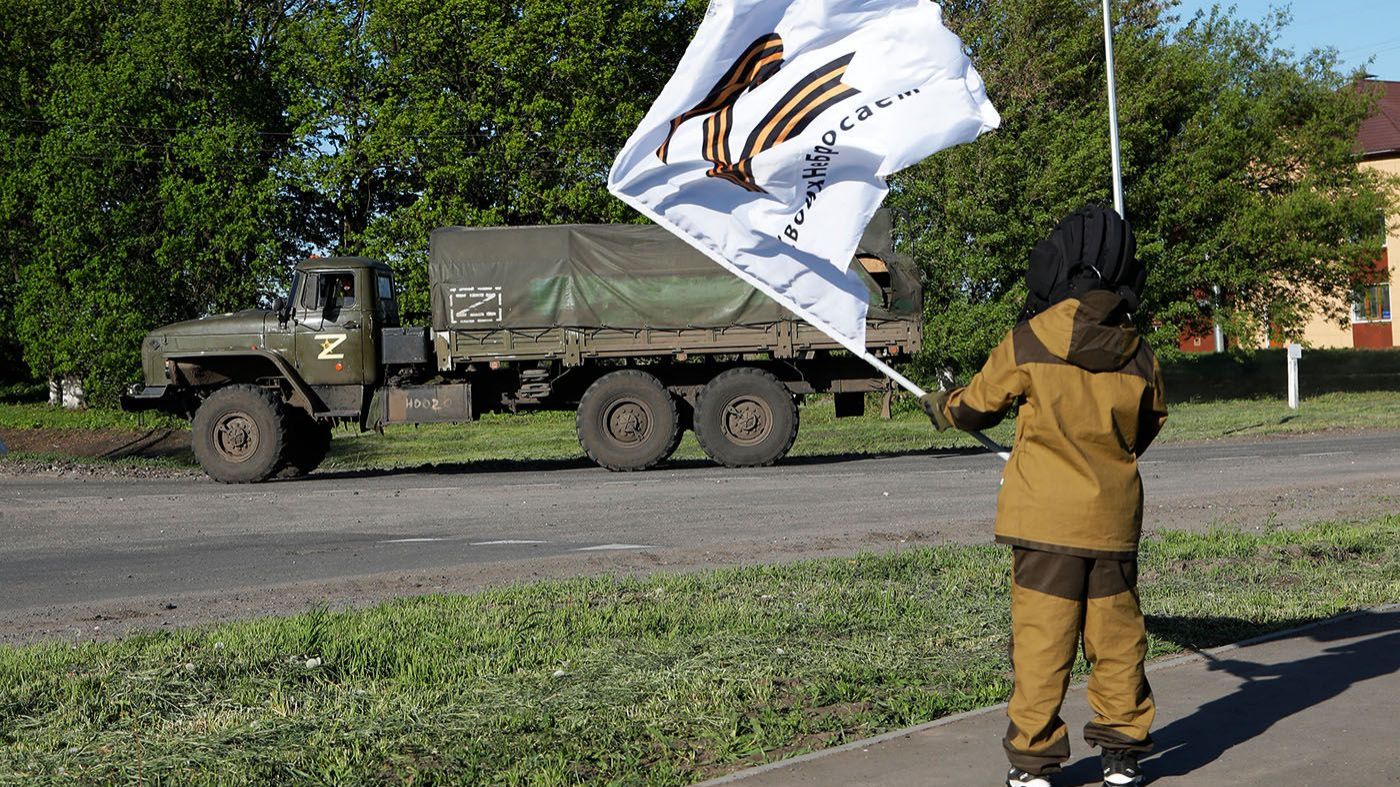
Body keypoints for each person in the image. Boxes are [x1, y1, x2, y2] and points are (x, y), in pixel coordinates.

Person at [921, 206, 1167, 787]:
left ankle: (1033, 763)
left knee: (1043, 641)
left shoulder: (1029, 340)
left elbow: (978, 404)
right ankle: (1122, 757)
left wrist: (943, 407)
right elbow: (1149, 423)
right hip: (1112, 523)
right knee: (1117, 639)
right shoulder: (1139, 353)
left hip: (1043, 525)